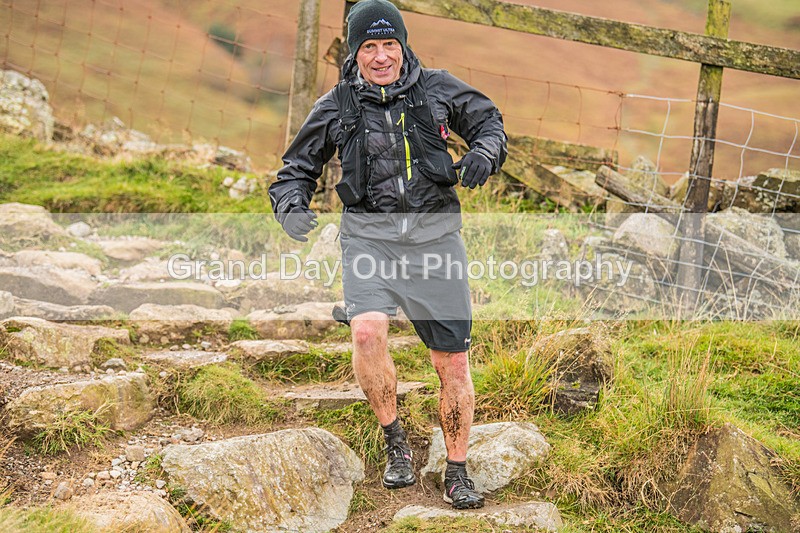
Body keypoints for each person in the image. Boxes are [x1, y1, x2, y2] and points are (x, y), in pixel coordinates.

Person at [269, 0, 506, 510]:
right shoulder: (336, 105)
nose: (380, 57)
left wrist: (485, 153)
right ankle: (395, 441)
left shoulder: (437, 88)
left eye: (388, 45)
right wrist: (290, 204)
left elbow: (490, 123)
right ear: (355, 53)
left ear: (403, 45)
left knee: (452, 363)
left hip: (435, 241)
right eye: (368, 47)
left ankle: (456, 469)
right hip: (368, 239)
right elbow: (295, 169)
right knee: (367, 330)